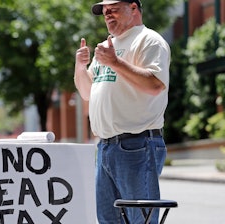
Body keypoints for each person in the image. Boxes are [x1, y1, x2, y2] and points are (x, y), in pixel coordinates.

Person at [74, 1, 170, 223]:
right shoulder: (105, 47)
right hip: (105, 146)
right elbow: (87, 91)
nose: (107, 14)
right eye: (105, 11)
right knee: (108, 219)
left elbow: (155, 85)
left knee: (141, 220)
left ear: (134, 8)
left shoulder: (149, 41)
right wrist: (80, 67)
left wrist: (115, 62)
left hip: (137, 145)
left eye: (114, 8)